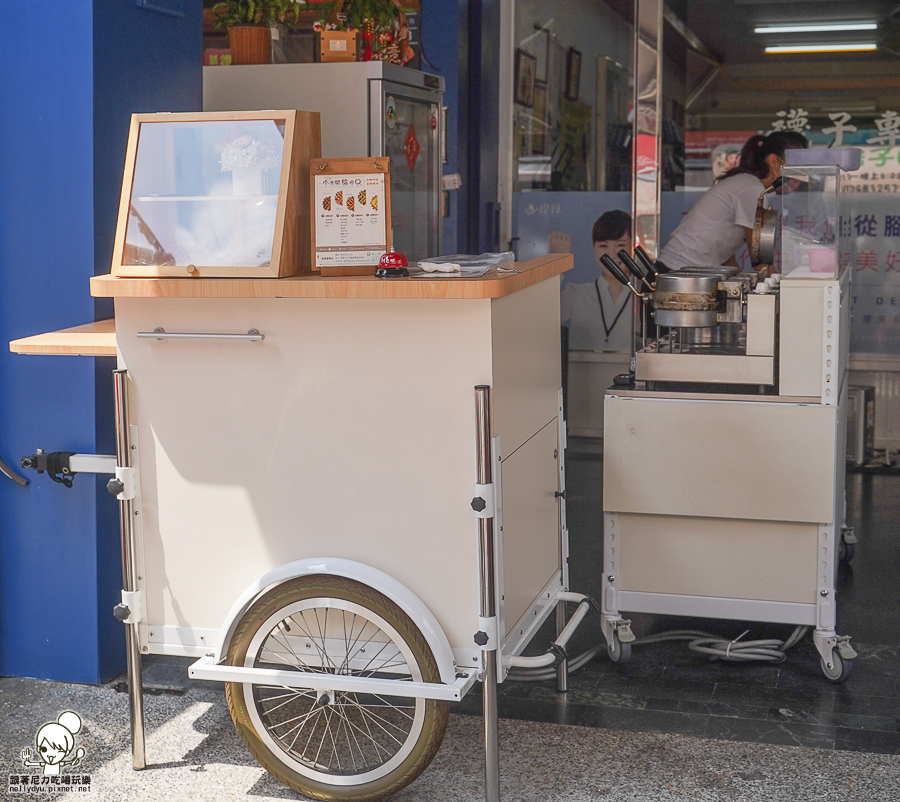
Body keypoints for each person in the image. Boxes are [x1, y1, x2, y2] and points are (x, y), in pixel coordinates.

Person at [659, 131, 808, 270]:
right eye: (794, 167)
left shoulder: (746, 183)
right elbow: (760, 256)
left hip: (681, 269)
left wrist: (738, 277)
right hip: (677, 271)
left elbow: (725, 254)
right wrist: (777, 286)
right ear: (774, 161)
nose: (797, 175)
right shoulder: (752, 189)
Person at [560, 210, 633, 351]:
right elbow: (543, 319)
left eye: (620, 246)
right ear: (594, 249)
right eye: (603, 246)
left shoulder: (643, 293)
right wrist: (559, 260)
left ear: (633, 248)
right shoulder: (577, 293)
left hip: (630, 370)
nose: (612, 255)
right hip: (582, 371)